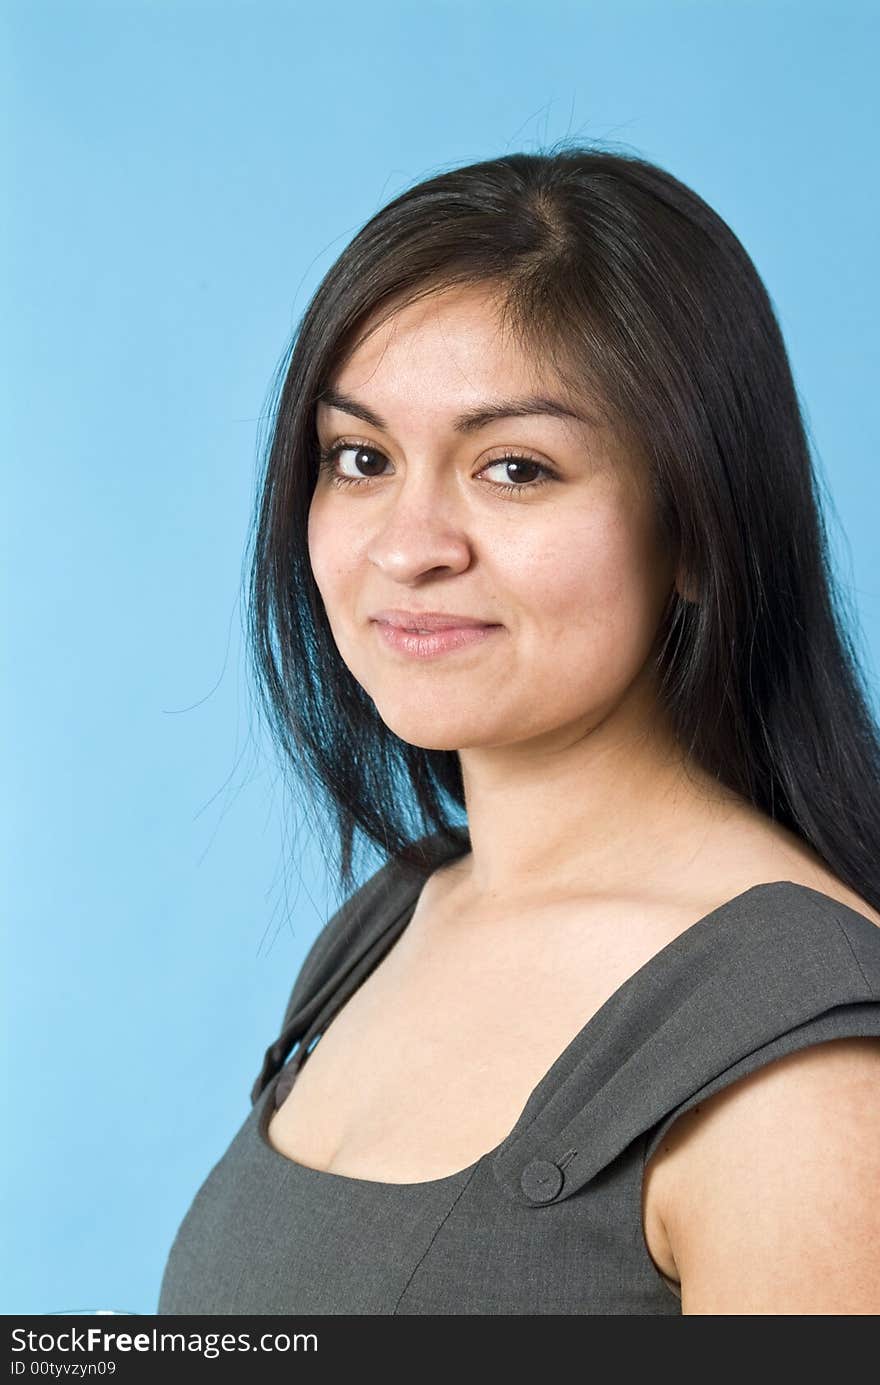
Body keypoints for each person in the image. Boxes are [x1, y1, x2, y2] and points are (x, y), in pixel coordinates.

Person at [157, 142, 880, 1316]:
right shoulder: (397, 915)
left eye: (514, 467)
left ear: (699, 530)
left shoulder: (807, 1071)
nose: (409, 544)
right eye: (360, 458)